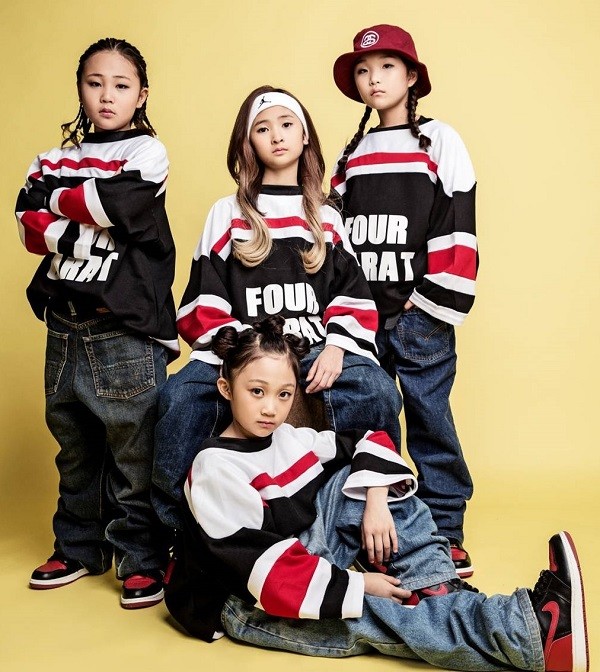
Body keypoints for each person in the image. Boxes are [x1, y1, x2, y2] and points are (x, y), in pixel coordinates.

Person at [165, 316, 588, 672]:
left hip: (303, 560)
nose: (270, 409)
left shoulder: (288, 439)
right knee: (371, 614)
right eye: (256, 391)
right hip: (247, 598)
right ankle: (530, 633)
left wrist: (376, 500)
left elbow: (370, 440)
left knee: (367, 476)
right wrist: (359, 584)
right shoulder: (215, 468)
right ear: (226, 389)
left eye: (284, 394)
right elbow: (265, 573)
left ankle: (438, 588)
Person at [152, 85, 401, 531]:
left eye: (287, 125)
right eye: (263, 129)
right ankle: (173, 534)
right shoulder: (227, 212)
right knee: (180, 397)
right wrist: (241, 354)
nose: (277, 136)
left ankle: (370, 516)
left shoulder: (326, 217)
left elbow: (352, 295)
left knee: (377, 390)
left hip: (315, 347)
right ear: (248, 142)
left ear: (305, 137)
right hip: (243, 349)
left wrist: (338, 347)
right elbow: (202, 299)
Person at [15, 37, 179, 609]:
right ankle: (79, 547)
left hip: (124, 329)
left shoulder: (148, 153)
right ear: (80, 89)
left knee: (135, 453)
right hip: (64, 325)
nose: (107, 95)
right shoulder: (51, 157)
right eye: (95, 83)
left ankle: (142, 557)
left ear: (141, 94)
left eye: (121, 85)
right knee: (75, 446)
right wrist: (85, 214)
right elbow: (26, 223)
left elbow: (119, 206)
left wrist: (60, 205)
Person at [330, 24, 478, 576]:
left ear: (412, 76)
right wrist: (341, 304)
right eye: (363, 71)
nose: (374, 79)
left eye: (387, 67)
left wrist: (430, 299)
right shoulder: (353, 153)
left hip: (419, 314)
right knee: (370, 417)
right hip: (363, 315)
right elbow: (332, 232)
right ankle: (387, 528)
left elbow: (456, 218)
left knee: (429, 417)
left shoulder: (439, 141)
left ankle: (447, 529)